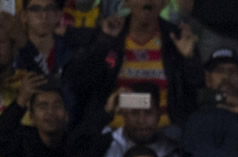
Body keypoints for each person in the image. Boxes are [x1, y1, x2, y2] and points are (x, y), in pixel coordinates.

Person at [63, 0, 202, 130]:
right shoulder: (108, 33)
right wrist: (103, 43)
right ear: (127, 2)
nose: (147, 1)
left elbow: (197, 88)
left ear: (164, 3)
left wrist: (189, 59)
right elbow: (76, 80)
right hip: (114, 130)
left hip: (164, 132)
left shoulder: (177, 38)